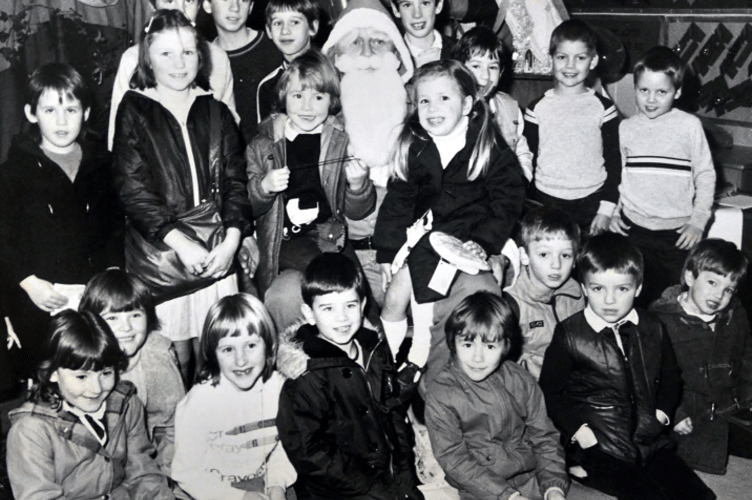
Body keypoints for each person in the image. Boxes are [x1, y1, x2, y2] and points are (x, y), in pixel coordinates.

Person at [112, 9, 252, 384]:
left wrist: (232, 243)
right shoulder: (135, 110)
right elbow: (133, 190)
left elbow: (236, 184)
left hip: (215, 251)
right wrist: (181, 244)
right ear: (147, 59)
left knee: (218, 347)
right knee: (175, 356)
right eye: (166, 54)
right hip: (164, 251)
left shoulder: (216, 112)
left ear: (201, 56)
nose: (180, 64)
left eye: (188, 53)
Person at [539, 233, 715, 500]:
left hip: (649, 440)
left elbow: (670, 377)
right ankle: (579, 470)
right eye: (598, 289)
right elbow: (550, 393)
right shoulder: (570, 334)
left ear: (638, 288)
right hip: (599, 448)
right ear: (585, 288)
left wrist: (661, 415)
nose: (610, 300)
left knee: (699, 496)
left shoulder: (652, 327)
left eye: (621, 289)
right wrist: (581, 432)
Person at [374, 59, 525, 372]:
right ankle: (391, 360)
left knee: (424, 289)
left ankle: (419, 354)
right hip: (426, 235)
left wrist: (485, 241)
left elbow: (508, 200)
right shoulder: (414, 144)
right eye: (424, 101)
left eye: (444, 98)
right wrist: (388, 252)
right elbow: (399, 201)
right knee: (393, 298)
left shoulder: (486, 144)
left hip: (470, 237)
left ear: (467, 103)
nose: (433, 108)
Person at [0, 63, 124, 381]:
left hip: (91, 293)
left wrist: (111, 273)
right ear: (31, 113)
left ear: (85, 113)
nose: (61, 120)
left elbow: (113, 226)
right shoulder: (14, 171)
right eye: (50, 109)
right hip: (40, 296)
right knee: (46, 371)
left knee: (90, 368)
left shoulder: (102, 164)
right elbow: (5, 236)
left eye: (71, 109)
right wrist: (28, 283)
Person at [426, 292, 609, 500]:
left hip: (535, 477)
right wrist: (508, 496)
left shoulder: (520, 378)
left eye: (490, 346)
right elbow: (455, 460)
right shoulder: (441, 392)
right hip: (483, 490)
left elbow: (545, 437)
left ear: (506, 346)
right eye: (467, 345)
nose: (477, 357)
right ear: (453, 343)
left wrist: (554, 486)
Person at [246, 49, 375, 330]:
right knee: (332, 278)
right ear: (283, 99)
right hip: (284, 241)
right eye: (297, 96)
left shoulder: (341, 142)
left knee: (361, 293)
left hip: (331, 237)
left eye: (318, 97)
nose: (307, 107)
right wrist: (264, 187)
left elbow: (358, 210)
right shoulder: (263, 144)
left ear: (331, 101)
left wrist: (358, 185)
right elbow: (247, 206)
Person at [276, 253, 423, 500]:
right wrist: (371, 489)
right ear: (309, 313)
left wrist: (404, 474)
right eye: (328, 308)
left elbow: (394, 415)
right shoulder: (305, 376)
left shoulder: (375, 351)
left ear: (363, 306)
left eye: (350, 305)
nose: (342, 317)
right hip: (340, 491)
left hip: (387, 480)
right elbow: (309, 453)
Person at [6, 310, 173, 500]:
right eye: (82, 377)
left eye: (106, 373)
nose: (96, 389)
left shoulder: (127, 405)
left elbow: (143, 474)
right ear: (52, 373)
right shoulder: (30, 430)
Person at [321, 0, 415, 308]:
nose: (366, 54)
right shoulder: (326, 128)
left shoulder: (421, 121)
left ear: (397, 54)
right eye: (356, 43)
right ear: (336, 57)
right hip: (348, 259)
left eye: (377, 42)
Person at [609, 46, 715, 307]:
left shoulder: (689, 126)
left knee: (672, 301)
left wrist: (698, 220)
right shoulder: (626, 128)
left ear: (677, 92)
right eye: (644, 90)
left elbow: (705, 174)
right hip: (633, 229)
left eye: (662, 92)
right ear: (634, 88)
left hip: (677, 233)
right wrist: (614, 212)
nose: (651, 100)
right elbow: (619, 177)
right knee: (634, 298)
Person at [172, 293, 296, 500]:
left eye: (251, 346)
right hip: (207, 490)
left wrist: (277, 484)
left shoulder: (281, 389)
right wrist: (237, 497)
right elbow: (186, 472)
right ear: (213, 353)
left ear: (268, 346)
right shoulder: (199, 402)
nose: (241, 360)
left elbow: (287, 447)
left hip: (265, 480)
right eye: (228, 349)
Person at [650, 238, 752, 474]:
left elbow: (747, 358)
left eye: (728, 289)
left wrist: (748, 398)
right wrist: (675, 413)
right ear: (689, 278)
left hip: (731, 409)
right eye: (712, 283)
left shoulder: (734, 313)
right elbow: (651, 376)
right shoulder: (661, 320)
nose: (719, 295)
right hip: (688, 415)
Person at [79, 269, 185, 475]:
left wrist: (167, 476)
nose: (126, 327)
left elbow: (171, 426)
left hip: (147, 460)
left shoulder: (156, 355)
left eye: (135, 315)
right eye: (112, 318)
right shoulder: (81, 363)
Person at [523, 19, 620, 235]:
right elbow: (526, 160)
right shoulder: (536, 108)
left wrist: (606, 209)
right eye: (562, 57)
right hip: (545, 202)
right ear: (551, 60)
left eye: (580, 58)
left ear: (593, 61)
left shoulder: (603, 108)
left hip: (592, 204)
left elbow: (615, 163)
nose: (570, 66)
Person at [107, 0, 237, 150]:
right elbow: (117, 139)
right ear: (152, 6)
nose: (180, 10)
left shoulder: (217, 57)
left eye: (189, 1)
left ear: (200, 6)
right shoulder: (132, 59)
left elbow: (230, 131)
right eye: (169, 1)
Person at [504, 205, 585, 380]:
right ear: (524, 256)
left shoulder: (575, 292)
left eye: (565, 256)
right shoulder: (512, 303)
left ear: (575, 260)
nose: (556, 265)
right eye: (544, 255)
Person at [454, 25, 533, 183]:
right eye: (476, 66)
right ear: (460, 69)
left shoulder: (510, 108)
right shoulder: (451, 109)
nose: (485, 76)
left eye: (493, 67)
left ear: (502, 72)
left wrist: (523, 178)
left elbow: (520, 149)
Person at [203, 0, 284, 144]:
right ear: (207, 5)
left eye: (243, 0)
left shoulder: (275, 46)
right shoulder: (200, 62)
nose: (235, 7)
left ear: (251, 7)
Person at [256, 0, 320, 124]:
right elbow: (264, 136)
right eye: (278, 23)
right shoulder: (268, 86)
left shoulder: (333, 74)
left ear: (313, 27)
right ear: (269, 31)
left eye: (294, 22)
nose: (285, 31)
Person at [390, 0, 454, 68]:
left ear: (438, 6)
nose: (417, 15)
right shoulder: (390, 58)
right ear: (395, 9)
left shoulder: (461, 50)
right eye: (407, 5)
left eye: (425, 3)